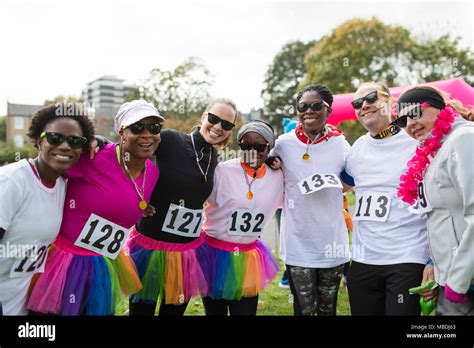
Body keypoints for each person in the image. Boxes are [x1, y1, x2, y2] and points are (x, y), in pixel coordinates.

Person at [27, 100, 162, 315]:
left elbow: (127, 198)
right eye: (137, 127)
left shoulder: (153, 173)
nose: (147, 134)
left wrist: (139, 208)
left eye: (154, 128)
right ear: (122, 132)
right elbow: (48, 169)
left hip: (104, 264)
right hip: (65, 261)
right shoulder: (94, 156)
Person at [127, 98, 238, 316]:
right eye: (214, 119)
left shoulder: (213, 157)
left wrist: (272, 159)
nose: (218, 128)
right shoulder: (170, 139)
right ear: (204, 117)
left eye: (226, 125)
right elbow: (130, 151)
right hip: (150, 245)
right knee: (141, 312)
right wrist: (136, 196)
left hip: (185, 252)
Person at [344, 82, 432, 315]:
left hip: (407, 257)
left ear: (390, 102)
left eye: (371, 98)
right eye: (357, 103)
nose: (364, 106)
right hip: (364, 260)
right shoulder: (358, 148)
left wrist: (433, 261)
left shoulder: (417, 141)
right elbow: (340, 185)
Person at [0, 104, 94, 315]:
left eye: (75, 141)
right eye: (54, 138)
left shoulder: (62, 185)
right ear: (39, 141)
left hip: (21, 303)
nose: (64, 146)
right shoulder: (11, 182)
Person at [269, 84, 350, 316]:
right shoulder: (283, 144)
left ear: (329, 110)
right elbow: (262, 166)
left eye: (316, 106)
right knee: (304, 310)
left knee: (328, 309)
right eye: (303, 106)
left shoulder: (340, 144)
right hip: (298, 244)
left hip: (332, 242)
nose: (309, 111)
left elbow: (353, 179)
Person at [396, 85, 474, 315]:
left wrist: (458, 281)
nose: (409, 124)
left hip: (465, 281)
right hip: (451, 277)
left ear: (440, 108)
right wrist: (435, 267)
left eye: (415, 113)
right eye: (402, 121)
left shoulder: (464, 138)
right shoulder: (439, 146)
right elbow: (444, 216)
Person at [198, 120, 283, 315]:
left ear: (269, 147)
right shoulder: (222, 171)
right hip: (213, 254)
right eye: (246, 146)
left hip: (248, 256)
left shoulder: (279, 176)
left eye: (259, 146)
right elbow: (196, 196)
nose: (252, 151)